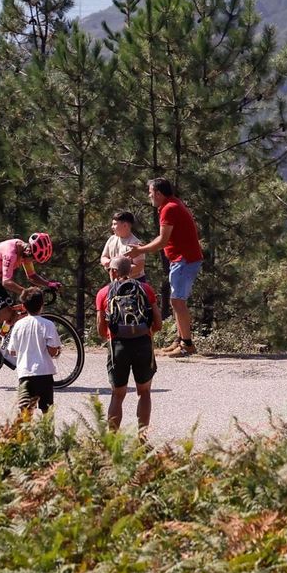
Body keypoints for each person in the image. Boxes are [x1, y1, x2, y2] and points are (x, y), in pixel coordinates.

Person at [127, 177, 203, 358]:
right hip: (182, 259)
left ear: (159, 193)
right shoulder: (173, 204)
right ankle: (180, 339)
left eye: (151, 192)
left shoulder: (169, 208)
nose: (149, 195)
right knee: (176, 301)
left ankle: (187, 344)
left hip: (184, 259)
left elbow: (162, 241)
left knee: (178, 301)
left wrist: (139, 250)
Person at [95, 255, 161, 431]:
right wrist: (145, 333)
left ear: (114, 271)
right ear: (130, 270)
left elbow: (101, 329)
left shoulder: (104, 293)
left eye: (110, 270)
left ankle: (113, 442)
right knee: (144, 393)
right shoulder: (145, 289)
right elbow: (158, 323)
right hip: (143, 344)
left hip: (118, 346)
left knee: (117, 395)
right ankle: (142, 438)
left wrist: (111, 336)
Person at [4, 287, 61, 420]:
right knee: (47, 412)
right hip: (44, 373)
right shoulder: (48, 324)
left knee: (25, 414)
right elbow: (52, 351)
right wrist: (57, 351)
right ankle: (48, 438)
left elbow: (12, 351)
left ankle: (25, 439)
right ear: (42, 304)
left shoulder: (18, 325)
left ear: (23, 306)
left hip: (25, 373)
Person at [99, 210, 145, 280]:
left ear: (125, 225)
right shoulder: (112, 239)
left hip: (134, 282)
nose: (112, 227)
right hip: (116, 282)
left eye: (115, 224)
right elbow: (103, 257)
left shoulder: (135, 243)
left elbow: (139, 267)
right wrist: (110, 263)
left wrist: (118, 269)